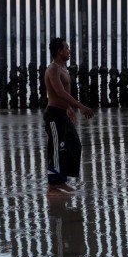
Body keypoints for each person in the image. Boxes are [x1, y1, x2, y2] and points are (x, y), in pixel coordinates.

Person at [43, 37, 94, 195]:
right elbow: (59, 92)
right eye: (66, 48)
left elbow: (64, 95)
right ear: (59, 51)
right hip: (53, 114)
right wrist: (80, 106)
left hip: (62, 113)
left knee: (74, 144)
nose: (69, 51)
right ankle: (54, 185)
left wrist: (69, 109)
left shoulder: (64, 68)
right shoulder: (53, 69)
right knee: (58, 148)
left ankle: (61, 180)